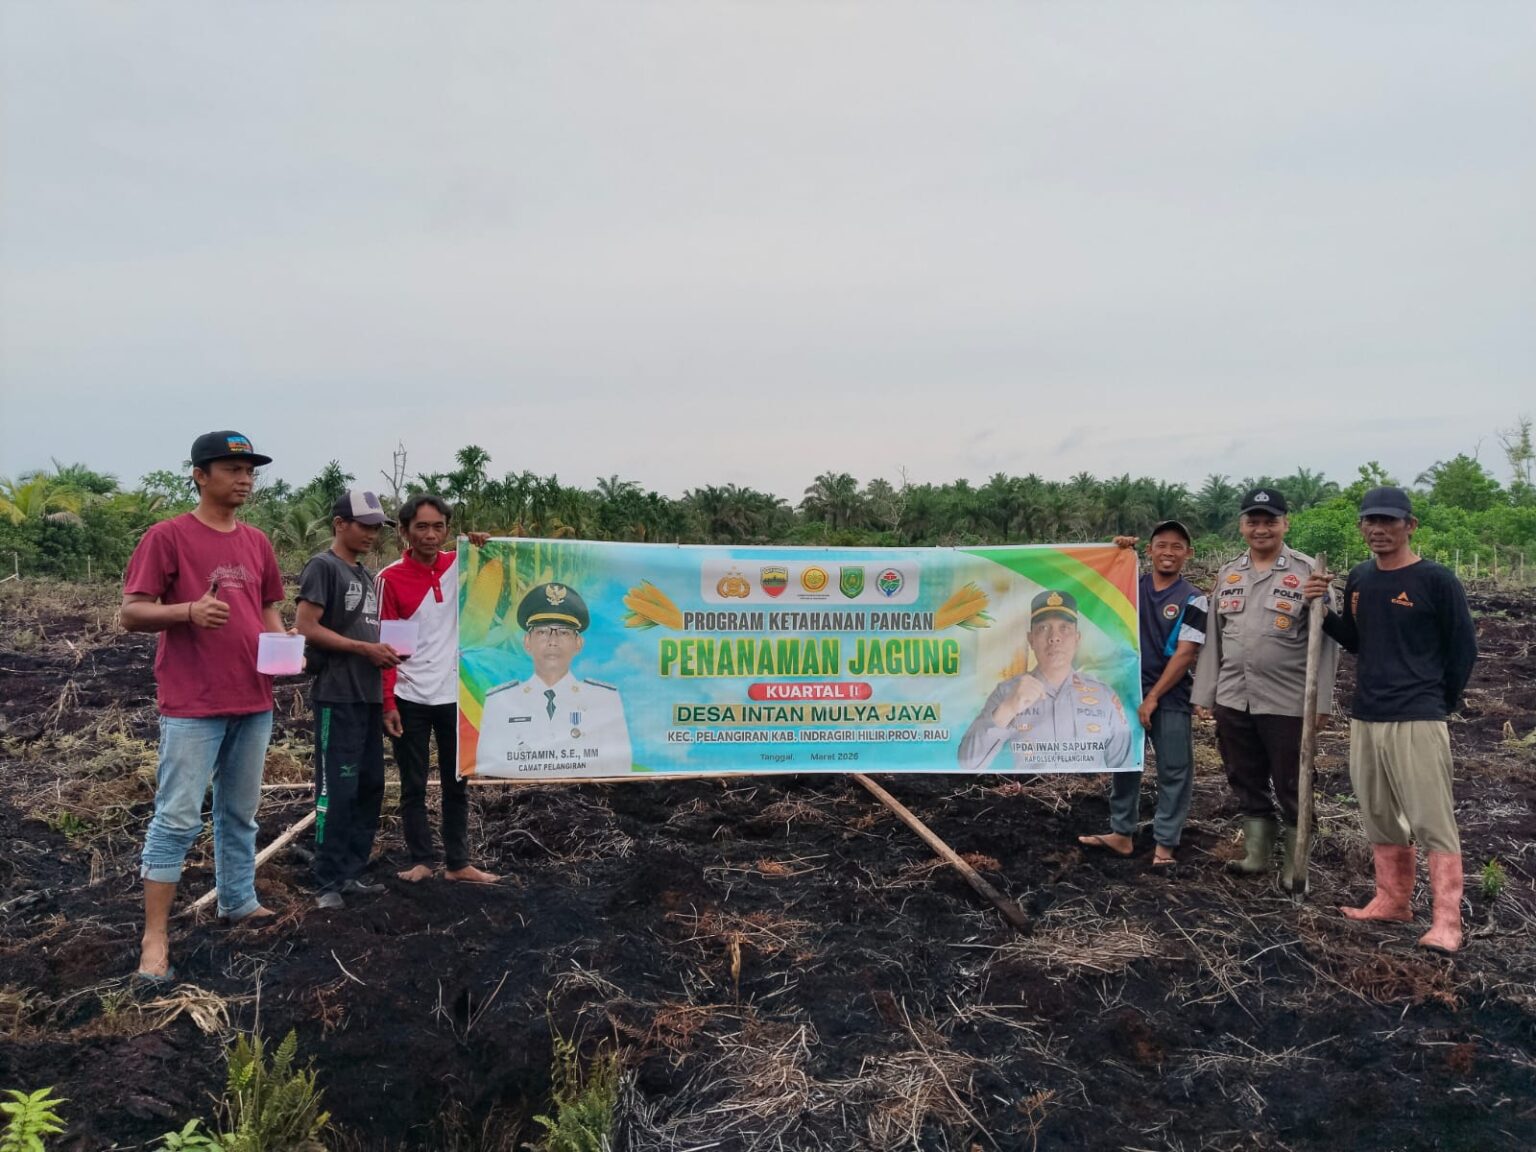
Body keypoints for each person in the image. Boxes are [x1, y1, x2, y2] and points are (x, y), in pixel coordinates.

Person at [121, 430, 286, 983]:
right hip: (194, 703)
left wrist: (283, 651)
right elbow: (132, 612)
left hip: (253, 698)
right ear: (199, 474)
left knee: (240, 813)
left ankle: (238, 901)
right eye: (231, 469)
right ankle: (155, 939)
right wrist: (188, 611)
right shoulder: (168, 537)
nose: (244, 479)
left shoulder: (257, 543)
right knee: (176, 817)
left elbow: (267, 611)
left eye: (249, 471)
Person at [1303, 486, 1478, 952]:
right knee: (1379, 812)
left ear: (1410, 525)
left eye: (1389, 522)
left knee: (1431, 816)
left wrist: (1440, 702)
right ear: (1362, 526)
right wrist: (1321, 608)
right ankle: (1392, 900)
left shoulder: (1436, 580)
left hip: (1418, 715)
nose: (1378, 530)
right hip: (1367, 714)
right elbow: (1356, 641)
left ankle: (1447, 922)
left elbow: (1464, 649)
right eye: (1370, 522)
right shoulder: (1361, 578)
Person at [1192, 486, 1338, 890]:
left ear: (1285, 524)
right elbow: (1214, 638)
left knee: (1292, 779)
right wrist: (1206, 694)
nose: (1261, 529)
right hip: (1234, 696)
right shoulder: (1229, 573)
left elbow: (1327, 644)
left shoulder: (1310, 572)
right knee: (1243, 774)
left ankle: (1296, 859)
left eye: (1269, 521)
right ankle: (1257, 852)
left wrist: (1321, 702)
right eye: (1253, 521)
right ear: (1242, 526)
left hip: (1288, 699)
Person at [377, 495, 498, 884]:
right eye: (421, 527)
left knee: (457, 782)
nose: (431, 535)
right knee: (413, 784)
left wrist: (482, 543)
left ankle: (458, 863)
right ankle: (422, 860)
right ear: (404, 531)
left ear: (448, 529)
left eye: (438, 527)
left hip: (455, 695)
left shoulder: (458, 564)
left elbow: (498, 566)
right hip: (410, 697)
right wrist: (388, 700)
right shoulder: (390, 579)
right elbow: (387, 648)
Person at [295, 490, 403, 910]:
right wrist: (364, 651)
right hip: (338, 696)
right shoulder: (324, 567)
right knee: (335, 790)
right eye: (365, 525)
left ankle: (352, 872)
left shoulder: (364, 575)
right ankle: (326, 881)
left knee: (369, 786)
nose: (373, 533)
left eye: (378, 527)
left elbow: (366, 632)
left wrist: (386, 666)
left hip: (368, 695)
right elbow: (306, 626)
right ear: (340, 524)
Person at [1079, 521, 1209, 866]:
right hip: (1125, 693)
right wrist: (1116, 551)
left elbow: (1185, 653)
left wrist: (1153, 697)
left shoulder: (1194, 599)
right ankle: (1121, 833)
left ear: (1189, 554)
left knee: (1175, 769)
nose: (1168, 553)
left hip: (1170, 697)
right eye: (1161, 545)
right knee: (1124, 762)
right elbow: (1095, 593)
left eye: (1177, 547)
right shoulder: (1129, 589)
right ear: (1149, 550)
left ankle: (1165, 843)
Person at [958, 589, 1133, 773]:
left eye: (1064, 628)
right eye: (1043, 628)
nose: (1054, 637)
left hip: (1088, 799)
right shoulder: (1008, 692)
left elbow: (1124, 769)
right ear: (1030, 639)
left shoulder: (1103, 695)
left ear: (1077, 638)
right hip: (1028, 799)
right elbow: (968, 763)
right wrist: (1008, 708)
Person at [476, 582, 633, 777]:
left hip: (588, 802)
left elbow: (619, 770)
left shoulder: (604, 699)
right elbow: (488, 769)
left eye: (564, 632)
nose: (553, 641)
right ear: (527, 642)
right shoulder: (500, 702)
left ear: (578, 643)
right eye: (542, 632)